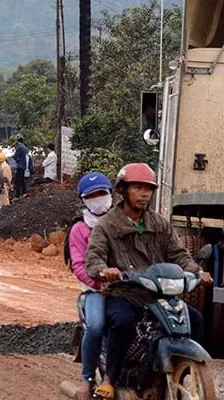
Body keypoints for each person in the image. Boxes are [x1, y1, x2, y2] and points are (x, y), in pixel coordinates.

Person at [86, 163, 212, 400]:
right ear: (123, 190)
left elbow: (179, 254)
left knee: (194, 319)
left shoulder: (160, 223)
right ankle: (110, 378)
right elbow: (94, 258)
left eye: (148, 189)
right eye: (137, 187)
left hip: (157, 294)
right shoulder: (107, 225)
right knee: (123, 322)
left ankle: (181, 371)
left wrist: (196, 272)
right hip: (124, 293)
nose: (144, 194)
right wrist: (104, 271)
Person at [65, 172, 114, 400]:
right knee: (95, 327)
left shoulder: (122, 222)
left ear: (111, 194)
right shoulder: (79, 229)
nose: (98, 199)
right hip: (95, 290)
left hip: (127, 286)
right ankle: (87, 379)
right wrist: (99, 283)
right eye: (92, 196)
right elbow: (78, 265)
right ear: (83, 200)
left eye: (101, 193)